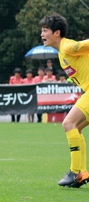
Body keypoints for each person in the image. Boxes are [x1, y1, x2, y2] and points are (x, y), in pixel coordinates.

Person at [39, 14, 89, 188]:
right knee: (77, 128)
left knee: (68, 123)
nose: (42, 34)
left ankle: (75, 172)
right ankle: (81, 173)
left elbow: (82, 45)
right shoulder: (62, 54)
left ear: (57, 32)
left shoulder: (67, 47)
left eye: (45, 30)